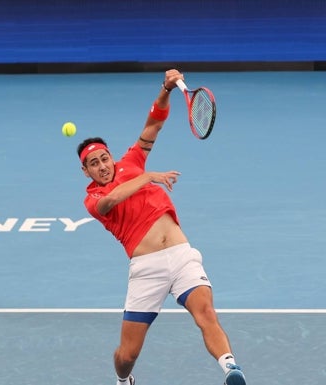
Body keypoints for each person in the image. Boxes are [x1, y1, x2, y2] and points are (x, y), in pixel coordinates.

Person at [76, 69, 246, 385]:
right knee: (128, 355)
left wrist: (165, 90)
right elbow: (110, 202)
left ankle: (231, 368)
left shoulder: (131, 162)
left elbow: (154, 124)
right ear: (85, 172)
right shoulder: (93, 198)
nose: (102, 166)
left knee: (206, 313)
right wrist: (147, 177)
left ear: (112, 157)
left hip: (182, 255)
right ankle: (123, 379)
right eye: (93, 164)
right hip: (146, 269)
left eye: (104, 158)